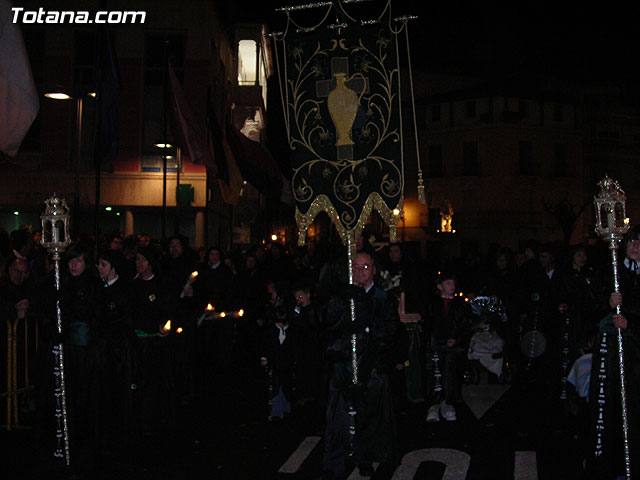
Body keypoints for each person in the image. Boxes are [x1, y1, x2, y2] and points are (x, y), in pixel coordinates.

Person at [321, 250, 401, 479]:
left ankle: (364, 457)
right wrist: (341, 303)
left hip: (371, 365)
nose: (360, 272)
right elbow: (327, 323)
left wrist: (367, 329)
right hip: (344, 364)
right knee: (338, 417)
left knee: (370, 415)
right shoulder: (341, 295)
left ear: (374, 270)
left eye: (365, 267)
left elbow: (391, 328)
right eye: (355, 267)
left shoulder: (383, 299)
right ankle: (333, 462)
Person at [586, 226, 640, 479]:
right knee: (610, 408)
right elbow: (589, 307)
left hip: (636, 354)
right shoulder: (610, 273)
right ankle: (607, 464)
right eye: (632, 241)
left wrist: (632, 324)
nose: (636, 247)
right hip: (612, 352)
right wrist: (607, 306)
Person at [424, 272, 472, 423]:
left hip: (453, 346)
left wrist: (456, 339)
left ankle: (448, 403)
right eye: (447, 283)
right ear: (440, 286)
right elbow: (429, 323)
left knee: (450, 373)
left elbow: (465, 325)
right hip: (436, 344)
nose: (451, 286)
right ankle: (434, 404)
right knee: (435, 373)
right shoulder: (433, 303)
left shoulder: (460, 304)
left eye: (453, 283)